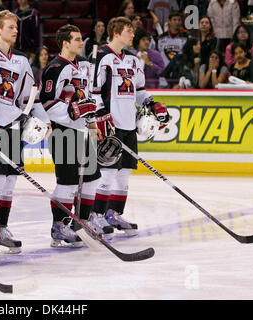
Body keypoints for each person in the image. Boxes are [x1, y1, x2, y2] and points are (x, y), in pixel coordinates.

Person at [0, 10, 50, 254]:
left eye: (16, 27)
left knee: (9, 183)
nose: (15, 30)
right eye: (10, 27)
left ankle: (1, 227)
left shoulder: (21, 60)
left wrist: (44, 120)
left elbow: (29, 95)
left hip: (15, 126)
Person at [91, 17, 170, 235]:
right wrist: (99, 115)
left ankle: (113, 213)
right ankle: (96, 215)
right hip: (110, 124)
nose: (133, 35)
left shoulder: (134, 60)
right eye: (129, 30)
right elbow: (94, 90)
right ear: (116, 32)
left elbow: (140, 90)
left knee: (124, 172)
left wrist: (153, 104)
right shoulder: (102, 57)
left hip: (128, 124)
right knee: (107, 172)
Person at [39, 24, 103, 248]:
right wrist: (72, 113)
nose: (80, 42)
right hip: (63, 131)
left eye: (81, 38)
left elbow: (89, 97)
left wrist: (93, 120)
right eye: (76, 39)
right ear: (65, 43)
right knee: (67, 183)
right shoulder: (55, 67)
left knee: (92, 179)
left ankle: (85, 219)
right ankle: (60, 225)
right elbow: (47, 101)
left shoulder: (84, 65)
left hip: (85, 130)